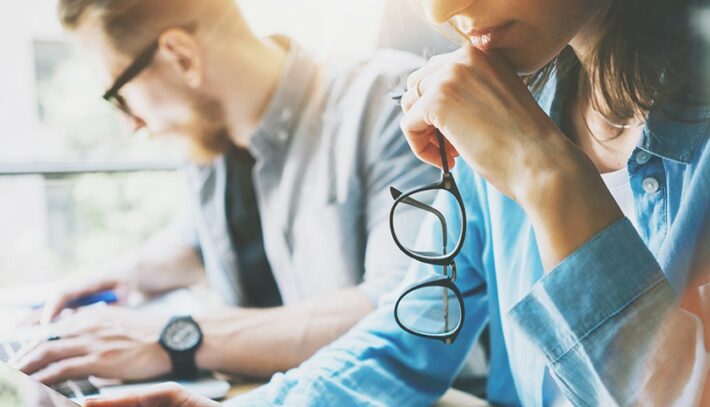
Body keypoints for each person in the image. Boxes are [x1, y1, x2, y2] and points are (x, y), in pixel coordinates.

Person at [82, 0, 709, 405]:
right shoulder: (503, 114)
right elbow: (408, 336)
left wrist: (546, 175)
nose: (440, 10)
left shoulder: (513, 136)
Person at [12, 0, 438, 385]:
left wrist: (175, 337)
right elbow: (195, 243)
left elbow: (407, 312)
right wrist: (116, 279)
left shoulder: (391, 103)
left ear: (181, 56)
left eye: (119, 96)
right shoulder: (208, 138)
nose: (131, 123)